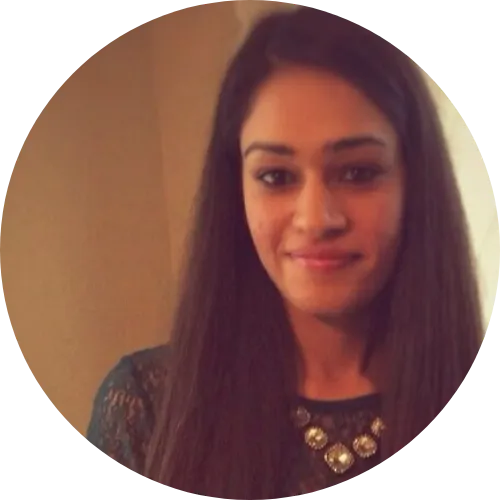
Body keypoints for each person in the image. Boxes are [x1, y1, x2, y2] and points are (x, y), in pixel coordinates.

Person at [85, 7, 484, 498]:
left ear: (415, 184)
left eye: (358, 172)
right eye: (276, 176)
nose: (316, 219)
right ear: (236, 191)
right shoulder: (148, 410)